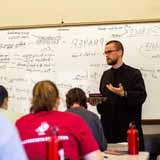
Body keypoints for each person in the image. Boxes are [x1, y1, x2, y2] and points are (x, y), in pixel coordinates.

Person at [16, 80, 103, 160]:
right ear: (57, 100)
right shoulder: (74, 120)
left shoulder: (20, 124)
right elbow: (95, 158)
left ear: (33, 100)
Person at [97, 40, 147, 150]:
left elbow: (141, 96)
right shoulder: (105, 75)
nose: (107, 55)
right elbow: (103, 105)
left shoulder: (134, 73)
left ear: (120, 52)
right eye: (105, 52)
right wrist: (97, 101)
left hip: (128, 132)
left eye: (109, 51)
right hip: (108, 132)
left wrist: (124, 93)